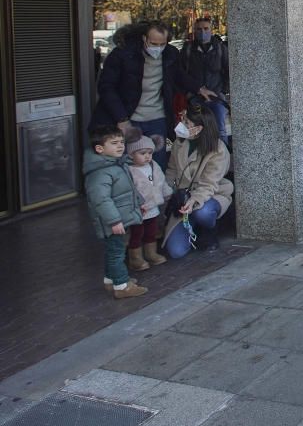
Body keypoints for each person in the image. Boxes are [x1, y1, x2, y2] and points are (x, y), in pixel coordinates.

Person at [92, 22, 217, 169]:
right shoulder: (123, 55)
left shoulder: (170, 53)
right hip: (129, 119)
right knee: (129, 164)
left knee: (157, 163)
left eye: (162, 44)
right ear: (144, 38)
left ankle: (157, 190)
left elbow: (179, 75)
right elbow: (107, 87)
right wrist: (121, 118)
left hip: (157, 119)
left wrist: (199, 89)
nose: (157, 48)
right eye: (153, 43)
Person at [162, 105, 234, 257]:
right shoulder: (179, 143)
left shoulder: (218, 149)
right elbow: (172, 171)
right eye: (183, 120)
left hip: (210, 194)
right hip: (183, 198)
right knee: (176, 251)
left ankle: (210, 230)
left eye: (187, 123)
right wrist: (166, 193)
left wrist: (195, 200)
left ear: (199, 128)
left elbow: (209, 183)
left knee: (203, 212)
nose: (181, 125)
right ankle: (192, 228)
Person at [84, 126, 147, 299]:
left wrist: (139, 203)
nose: (120, 146)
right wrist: (114, 221)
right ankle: (122, 286)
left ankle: (111, 280)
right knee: (116, 252)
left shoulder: (116, 164)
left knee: (113, 250)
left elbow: (128, 190)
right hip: (113, 221)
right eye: (114, 143)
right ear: (100, 149)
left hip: (119, 217)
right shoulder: (100, 172)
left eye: (121, 142)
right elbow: (101, 200)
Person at [179, 16, 230, 146]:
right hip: (195, 98)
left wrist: (222, 91)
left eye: (206, 29)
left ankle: (222, 161)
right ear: (194, 31)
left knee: (220, 131)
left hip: (216, 98)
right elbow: (182, 74)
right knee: (197, 132)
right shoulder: (188, 50)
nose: (203, 32)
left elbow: (228, 71)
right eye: (199, 29)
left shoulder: (220, 48)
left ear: (211, 30)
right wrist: (190, 94)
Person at [125, 133, 171, 271]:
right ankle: (135, 257)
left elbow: (161, 181)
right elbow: (127, 191)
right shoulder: (129, 170)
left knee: (151, 231)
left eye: (150, 153)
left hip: (153, 207)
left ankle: (151, 253)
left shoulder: (153, 165)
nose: (147, 156)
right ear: (131, 154)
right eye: (142, 153)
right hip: (138, 209)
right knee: (136, 233)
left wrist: (167, 192)